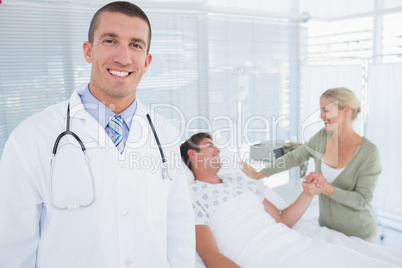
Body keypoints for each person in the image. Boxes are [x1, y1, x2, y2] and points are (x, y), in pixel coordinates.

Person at [0, 2, 194, 267]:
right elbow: (13, 250)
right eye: (110, 40)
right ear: (88, 50)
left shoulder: (166, 134)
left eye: (136, 45)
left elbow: (179, 232)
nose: (123, 57)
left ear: (147, 61)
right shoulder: (30, 138)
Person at [180, 133, 401, 268]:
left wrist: (308, 193)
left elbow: (282, 219)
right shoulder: (193, 196)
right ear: (192, 154)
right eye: (209, 145)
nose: (218, 149)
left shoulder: (243, 183)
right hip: (260, 255)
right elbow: (211, 256)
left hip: (292, 244)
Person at [241, 87, 381, 242]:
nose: (321, 116)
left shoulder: (369, 153)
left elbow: (362, 200)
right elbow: (294, 157)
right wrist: (260, 174)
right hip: (328, 231)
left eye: (325, 110)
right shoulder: (322, 137)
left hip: (361, 235)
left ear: (346, 110)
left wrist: (325, 188)